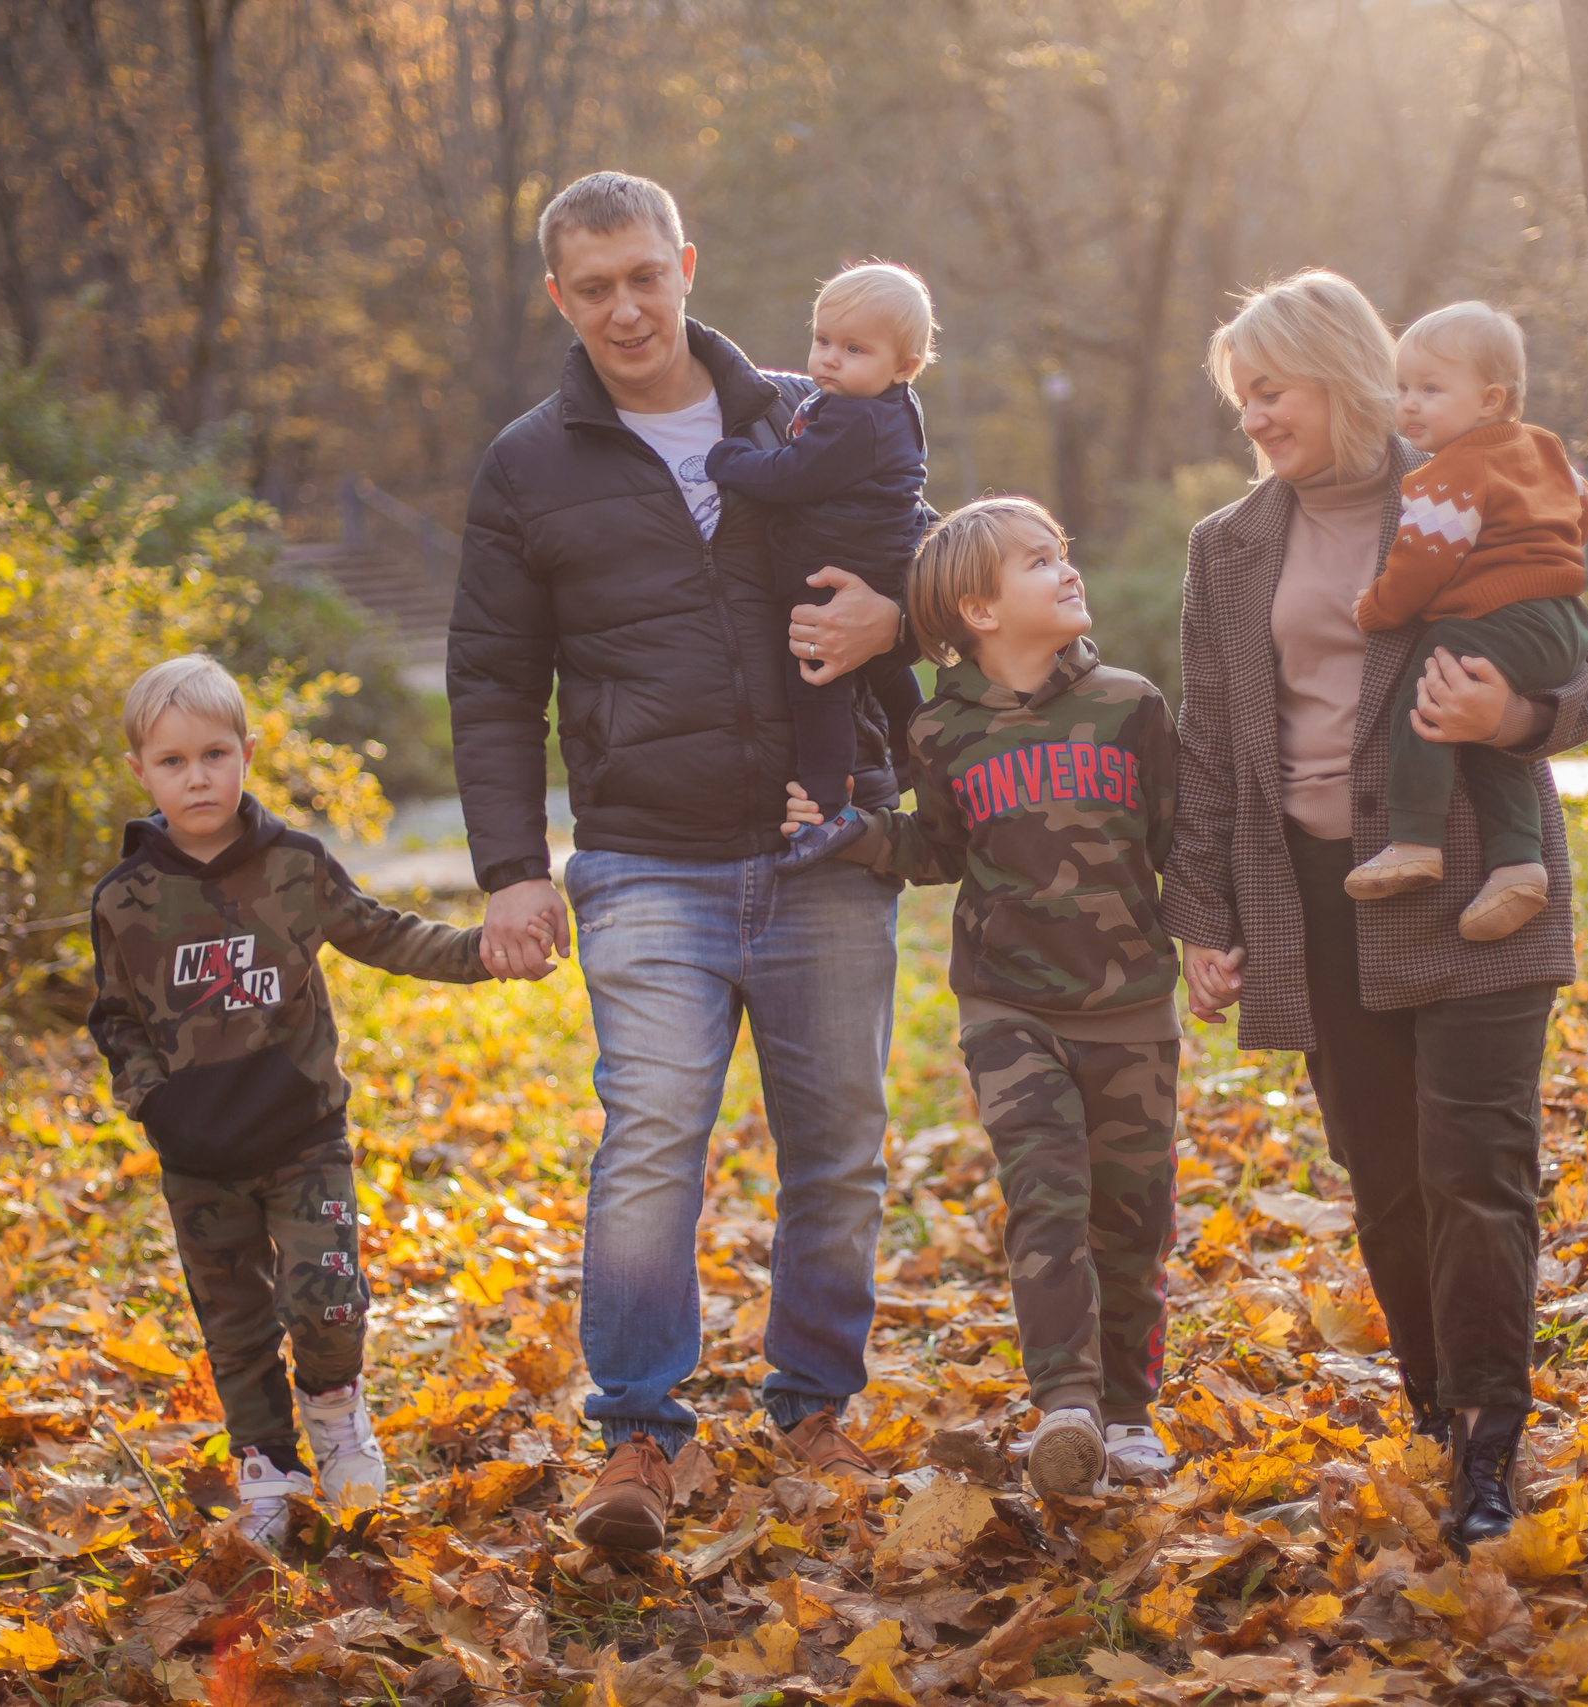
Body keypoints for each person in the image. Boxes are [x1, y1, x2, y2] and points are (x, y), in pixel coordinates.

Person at [450, 171, 914, 1552]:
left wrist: (904, 617)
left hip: (821, 840)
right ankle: (639, 1433)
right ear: (560, 298)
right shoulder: (528, 462)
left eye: (645, 274)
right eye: (594, 287)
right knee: (651, 1141)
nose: (627, 306)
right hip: (646, 855)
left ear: (688, 264)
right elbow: (490, 678)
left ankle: (814, 1402)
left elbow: (938, 545)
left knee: (839, 1145)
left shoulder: (807, 410)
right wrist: (510, 865)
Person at [1158, 271, 1588, 1547]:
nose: (1253, 415)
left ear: (1341, 376)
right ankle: (1434, 1404)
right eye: (1240, 396)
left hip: (1473, 873)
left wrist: (1515, 719)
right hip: (1313, 895)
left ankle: (1487, 1436)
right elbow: (1209, 742)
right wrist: (1202, 911)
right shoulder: (1228, 545)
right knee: (1383, 1179)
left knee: (1478, 1171)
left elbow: (1587, 668)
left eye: (1272, 389)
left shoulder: (1463, 489)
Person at [785, 498, 1181, 1496]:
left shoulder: (1131, 707)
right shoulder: (940, 729)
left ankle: (1130, 1414)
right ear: (977, 610)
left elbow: (1185, 843)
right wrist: (850, 828)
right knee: (1046, 1201)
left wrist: (1218, 940)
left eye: (1063, 553)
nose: (1066, 570)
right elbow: (938, 849)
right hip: (1009, 1008)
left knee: (1128, 1217)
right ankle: (1068, 1408)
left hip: (1130, 1005)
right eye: (1037, 561)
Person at [86, 654, 520, 1546]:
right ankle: (268, 1465)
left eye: (214, 754)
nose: (196, 776)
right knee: (235, 1322)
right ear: (140, 771)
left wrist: (483, 951)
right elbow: (115, 1017)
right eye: (172, 762)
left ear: (247, 752)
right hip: (198, 1148)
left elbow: (385, 933)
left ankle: (334, 1408)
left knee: (328, 1297)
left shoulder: (294, 867)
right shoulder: (125, 899)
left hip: (301, 1133)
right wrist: (152, 1104)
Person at [1342, 302, 1588, 942]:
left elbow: (1422, 564)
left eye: (1431, 389)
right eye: (1403, 388)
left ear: (1489, 399)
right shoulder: (1544, 447)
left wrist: (1378, 607)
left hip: (1507, 614)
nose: (1409, 405)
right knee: (1483, 723)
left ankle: (1415, 839)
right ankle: (1517, 865)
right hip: (1565, 621)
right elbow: (1583, 508)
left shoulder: (1453, 471)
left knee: (1432, 676)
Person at [707, 262, 939, 869]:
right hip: (882, 563)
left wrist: (729, 459)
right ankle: (916, 746)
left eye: (854, 348)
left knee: (816, 685)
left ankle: (827, 808)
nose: (830, 359)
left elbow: (789, 475)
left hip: (838, 572)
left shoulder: (855, 420)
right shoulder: (892, 406)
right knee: (884, 665)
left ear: (904, 365)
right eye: (824, 340)